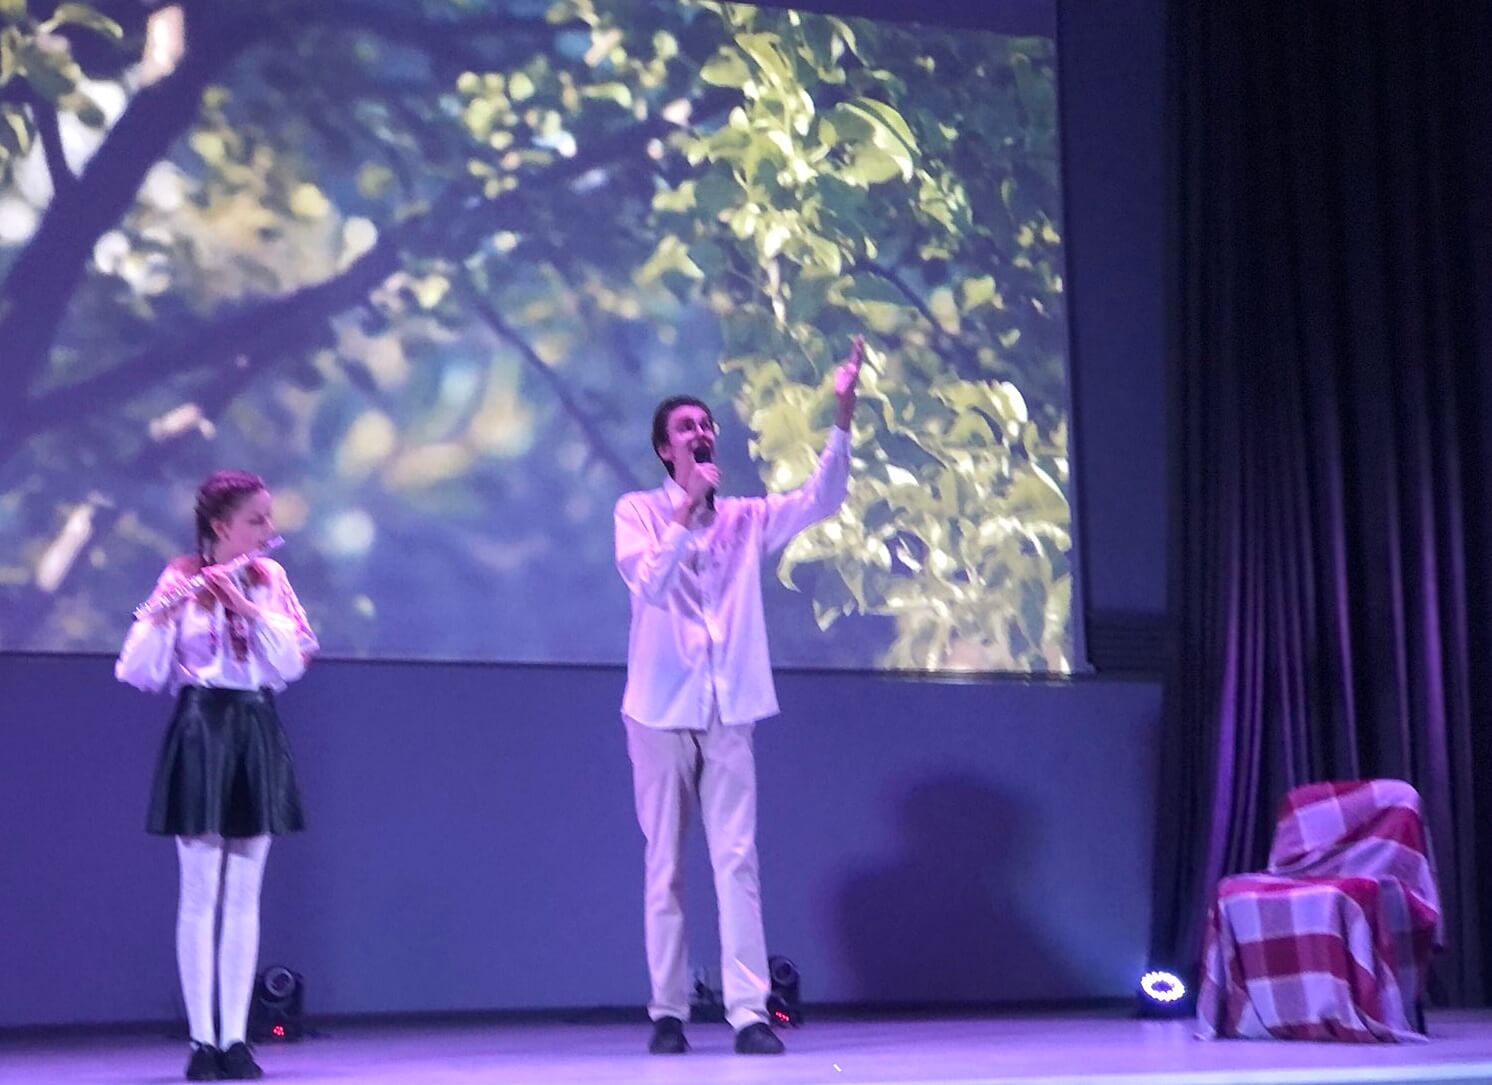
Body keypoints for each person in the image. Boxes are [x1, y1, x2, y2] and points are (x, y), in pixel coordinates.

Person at [614, 337, 865, 1055]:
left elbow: (822, 498)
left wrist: (842, 416)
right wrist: (686, 510)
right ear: (665, 449)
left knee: (737, 861)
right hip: (659, 711)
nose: (701, 432)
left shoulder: (745, 517)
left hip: (730, 710)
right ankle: (668, 1011)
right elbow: (649, 584)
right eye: (686, 427)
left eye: (706, 424)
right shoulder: (638, 512)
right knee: (666, 867)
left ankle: (749, 1013)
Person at [116, 470, 318, 1082]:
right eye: (256, 520)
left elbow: (290, 663)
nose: (268, 530)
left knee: (245, 896)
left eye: (268, 519)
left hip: (255, 724)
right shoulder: (180, 576)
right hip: (202, 727)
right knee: (201, 893)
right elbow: (139, 670)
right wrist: (163, 610)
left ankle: (236, 1039)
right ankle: (202, 1041)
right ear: (221, 526)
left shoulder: (269, 578)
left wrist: (246, 608)